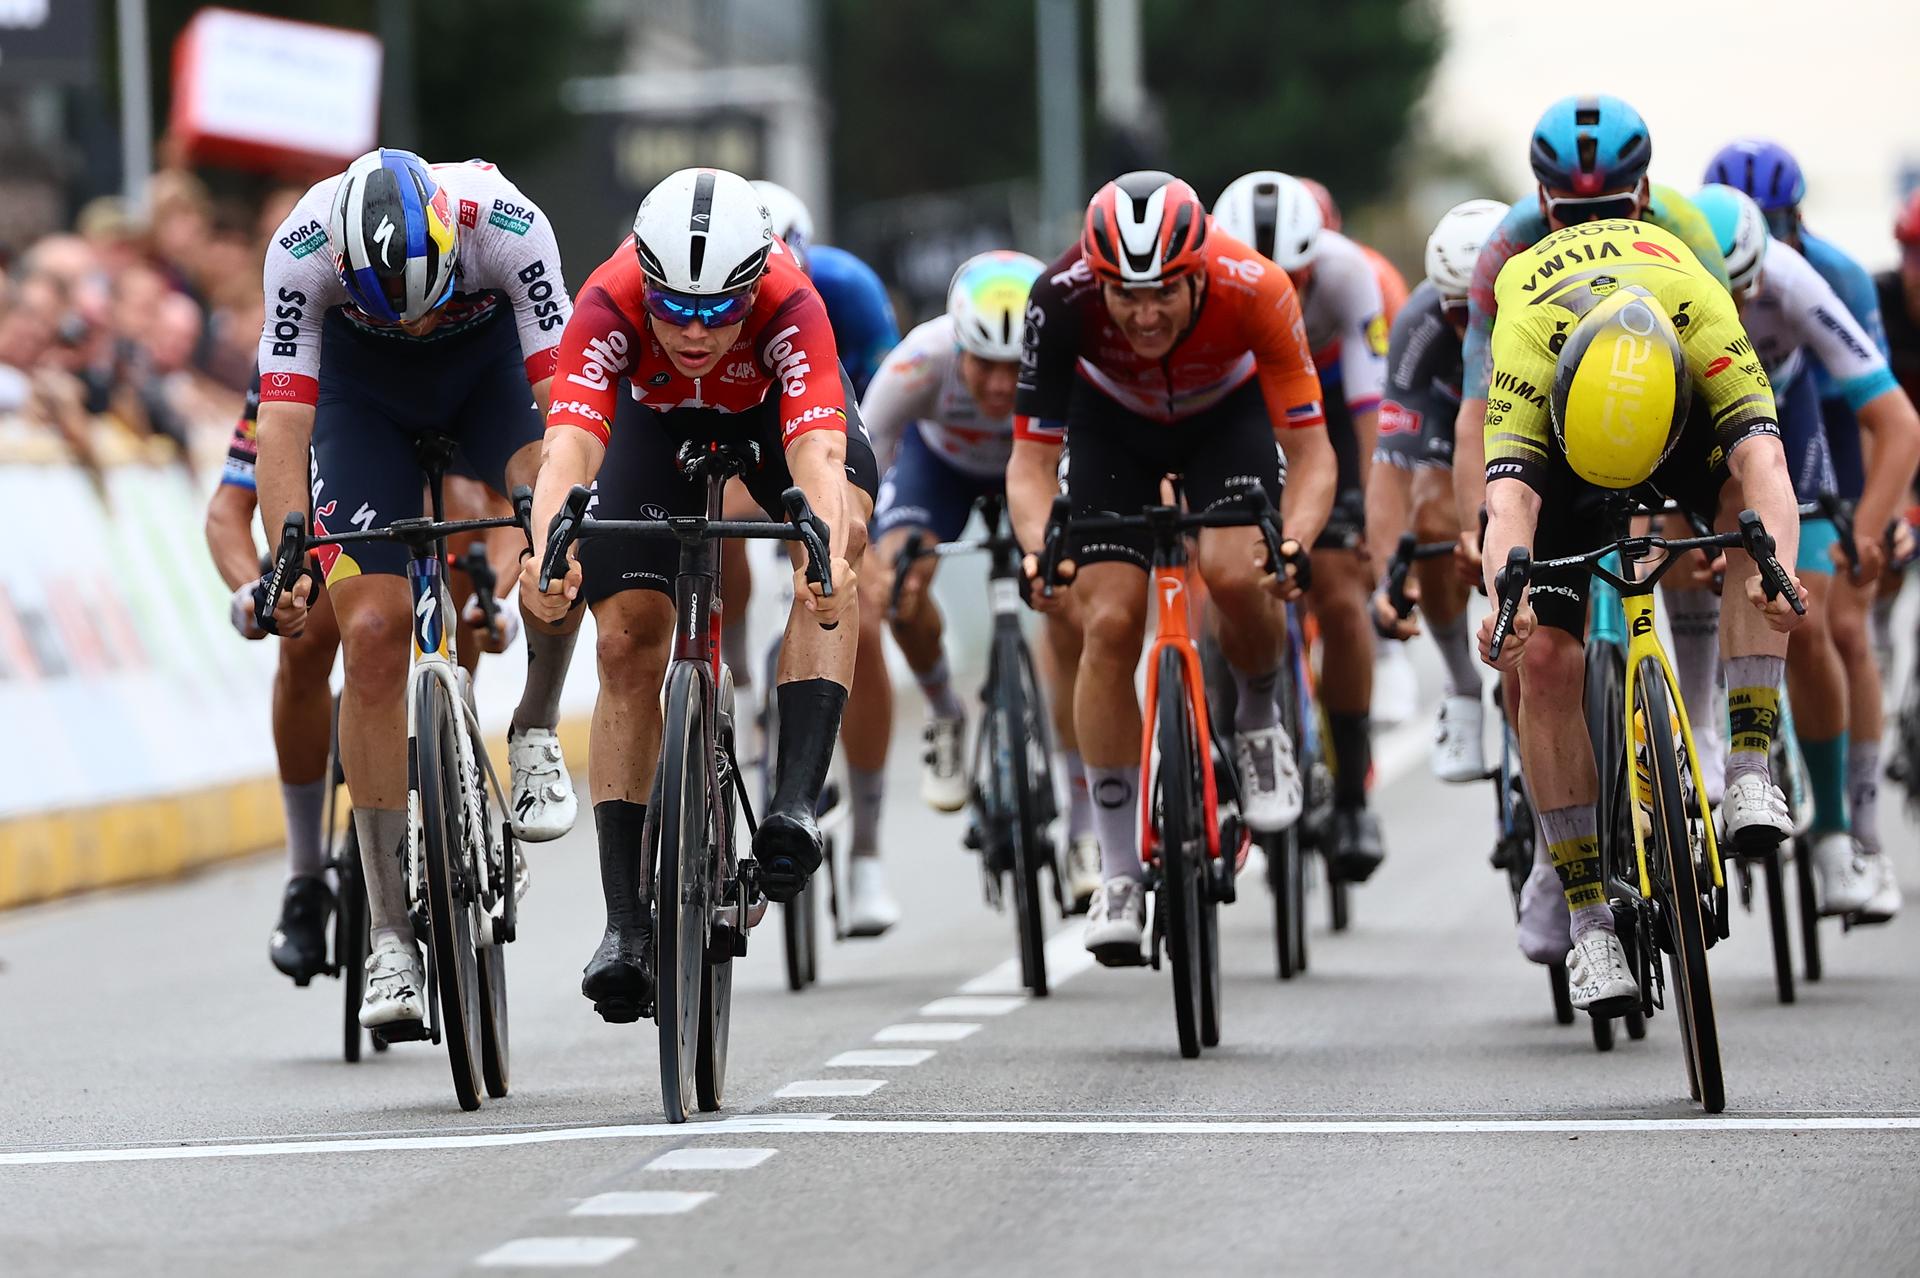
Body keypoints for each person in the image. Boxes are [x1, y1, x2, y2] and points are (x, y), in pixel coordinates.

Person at [520, 168, 876, 1022]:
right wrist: (545, 551)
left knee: (838, 542)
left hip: (765, 421)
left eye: (718, 309)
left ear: (756, 282)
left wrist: (821, 546)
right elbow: (566, 448)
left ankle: (793, 803)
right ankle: (625, 926)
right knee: (622, 643)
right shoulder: (609, 298)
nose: (692, 328)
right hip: (652, 427)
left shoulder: (793, 303)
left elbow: (820, 460)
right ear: (645, 276)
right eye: (673, 306)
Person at [255, 150, 584, 1033]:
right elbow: (282, 427)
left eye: (427, 299)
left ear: (453, 239)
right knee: (369, 635)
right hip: (364, 403)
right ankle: (390, 939)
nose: (411, 323)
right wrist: (287, 561)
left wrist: (545, 524)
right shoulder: (300, 246)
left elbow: (562, 410)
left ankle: (536, 730)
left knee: (563, 529)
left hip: (489, 378)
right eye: (387, 309)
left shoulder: (508, 224)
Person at [1009, 170, 1336, 964]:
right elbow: (1028, 462)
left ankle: (1258, 717)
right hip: (1110, 425)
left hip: (1225, 420)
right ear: (1097, 278)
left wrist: (1293, 540)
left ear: (1200, 272)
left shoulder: (1255, 288)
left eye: (1165, 293)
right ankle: (1119, 870)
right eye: (1126, 295)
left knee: (1233, 571)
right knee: (1110, 620)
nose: (1146, 314)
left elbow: (1313, 454)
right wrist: (1034, 547)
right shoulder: (1058, 297)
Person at [1478, 216, 1804, 1010]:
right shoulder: (1524, 340)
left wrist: (1777, 574)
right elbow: (1510, 503)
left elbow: (1765, 464)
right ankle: (1589, 921)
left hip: (1676, 417)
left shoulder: (1705, 316)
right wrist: (1505, 606)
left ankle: (1751, 761)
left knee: (1750, 533)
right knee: (1545, 659)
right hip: (1567, 457)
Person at [1456, 94, 1733, 828]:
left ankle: (1702, 725)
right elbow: (1478, 415)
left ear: (1643, 195)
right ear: (1542, 200)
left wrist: (1719, 515)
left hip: (1664, 404)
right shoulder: (1504, 252)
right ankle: (1556, 850)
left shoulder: (1685, 234)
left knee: (1696, 534)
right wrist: (1474, 527)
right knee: (1535, 652)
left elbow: (1723, 381)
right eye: (1572, 216)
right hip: (1548, 416)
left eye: (1613, 208)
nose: (1596, 228)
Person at [208, 370, 533, 982]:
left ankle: (451, 754)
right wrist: (252, 590)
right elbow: (229, 510)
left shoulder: (453, 344)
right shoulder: (294, 354)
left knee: (458, 527)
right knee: (303, 646)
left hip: (441, 522)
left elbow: (499, 513)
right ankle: (305, 875)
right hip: (340, 523)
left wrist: (498, 599)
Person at [838, 250, 1099, 929]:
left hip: (1039, 462)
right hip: (941, 469)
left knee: (1073, 603)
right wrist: (872, 547)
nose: (1000, 382)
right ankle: (945, 712)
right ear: (958, 341)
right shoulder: (921, 360)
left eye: (1018, 365)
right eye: (984, 362)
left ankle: (1084, 824)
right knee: (896, 582)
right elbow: (865, 455)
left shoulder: (1075, 360)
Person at [1694, 183, 1916, 921]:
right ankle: (1699, 737)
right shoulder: (1667, 279)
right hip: (1690, 429)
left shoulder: (1805, 280)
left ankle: (1836, 838)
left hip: (1786, 423)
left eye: (1747, 290)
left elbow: (1896, 422)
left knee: (1817, 620)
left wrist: (1868, 528)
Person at [1213, 170, 1392, 882]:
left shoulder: (1350, 278)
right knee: (1220, 585)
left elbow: (1371, 411)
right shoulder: (1207, 281)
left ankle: (1351, 795)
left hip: (1327, 412)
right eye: (1265, 277)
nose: (1280, 292)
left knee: (1343, 597)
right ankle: (1231, 755)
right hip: (1241, 410)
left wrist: (1374, 514)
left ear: (1319, 257)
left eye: (1296, 277)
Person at [713, 180, 902, 764]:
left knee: (860, 617)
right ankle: (739, 677)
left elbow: (881, 417)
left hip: (829, 424)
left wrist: (858, 510)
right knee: (715, 519)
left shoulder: (849, 291)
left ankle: (865, 842)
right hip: (746, 427)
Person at [1366, 199, 1510, 782]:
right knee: (1428, 516)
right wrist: (1386, 582)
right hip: (1454, 436)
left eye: (1491, 310)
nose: (1474, 325)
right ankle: (1461, 685)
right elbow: (1389, 470)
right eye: (1460, 313)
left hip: (1536, 432)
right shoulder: (1420, 324)